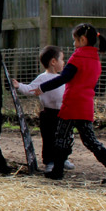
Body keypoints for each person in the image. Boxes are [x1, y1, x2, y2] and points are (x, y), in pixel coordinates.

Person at [32, 23, 106, 184]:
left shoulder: (78, 56)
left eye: (75, 40)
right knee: (90, 140)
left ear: (82, 39)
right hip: (86, 104)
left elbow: (63, 78)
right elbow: (94, 84)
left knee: (61, 137)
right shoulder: (96, 59)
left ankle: (58, 171)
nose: (74, 44)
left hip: (72, 103)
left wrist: (43, 87)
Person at [12, 45, 75, 174]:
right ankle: (50, 162)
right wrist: (19, 86)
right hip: (49, 113)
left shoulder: (63, 78)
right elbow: (30, 89)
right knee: (49, 138)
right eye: (62, 59)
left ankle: (63, 158)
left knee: (66, 137)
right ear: (53, 62)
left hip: (64, 113)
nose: (64, 62)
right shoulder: (43, 78)